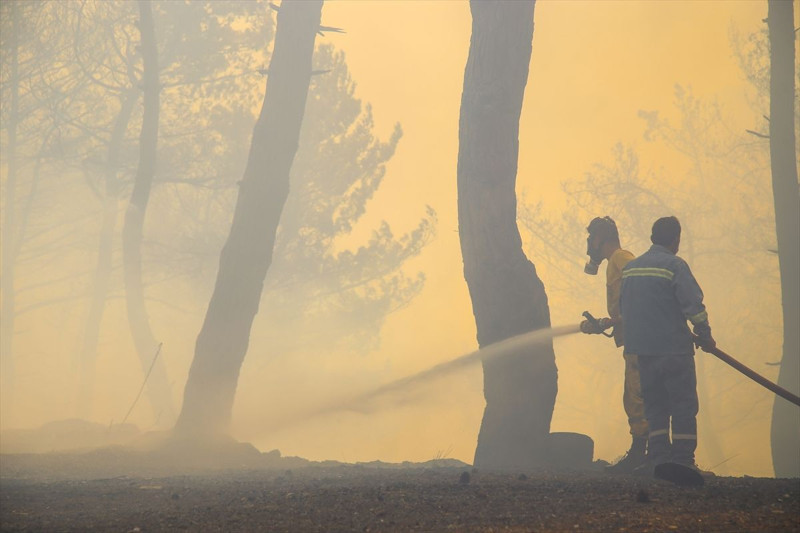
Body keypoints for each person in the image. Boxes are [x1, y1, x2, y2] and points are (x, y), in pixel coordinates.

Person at [620, 216, 715, 484]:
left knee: (655, 407)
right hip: (674, 351)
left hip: (644, 352)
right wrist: (705, 334)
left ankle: (658, 460)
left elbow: (625, 309)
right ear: (675, 239)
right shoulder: (675, 265)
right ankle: (683, 461)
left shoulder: (630, 269)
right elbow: (693, 306)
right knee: (683, 405)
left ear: (653, 237)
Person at [580, 216, 648, 473]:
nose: (588, 245)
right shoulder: (613, 263)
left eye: (590, 238)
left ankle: (642, 455)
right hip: (633, 337)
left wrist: (616, 319)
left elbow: (640, 284)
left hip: (639, 338)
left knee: (637, 395)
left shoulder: (621, 258)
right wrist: (609, 322)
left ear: (599, 239)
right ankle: (644, 453)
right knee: (633, 395)